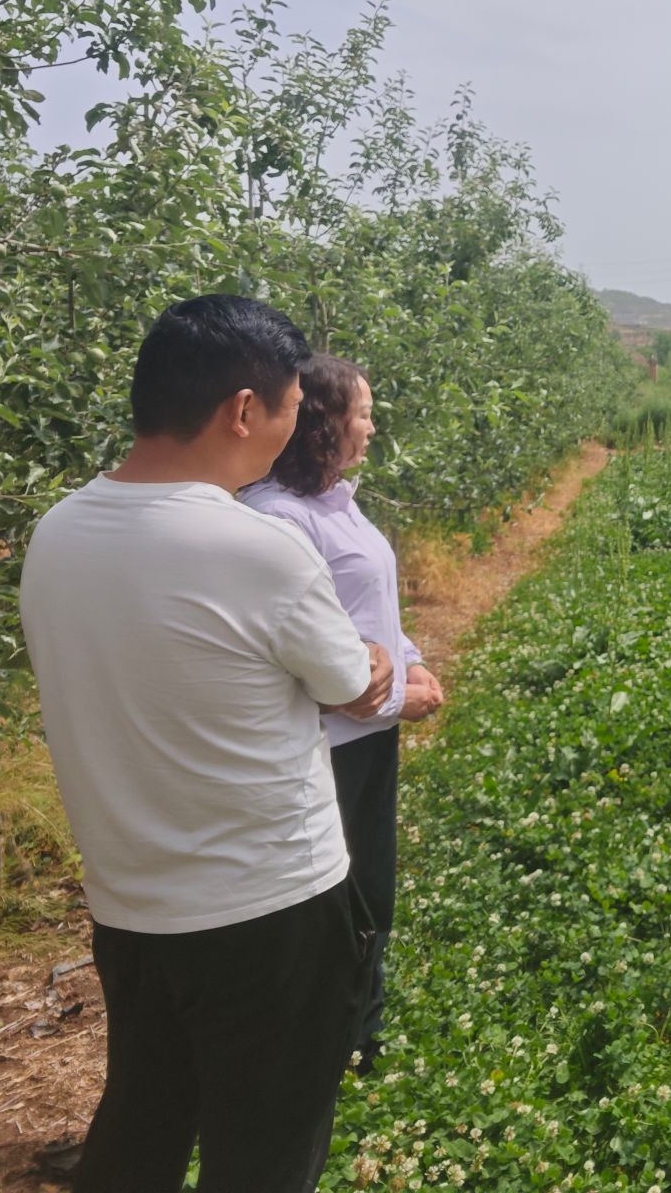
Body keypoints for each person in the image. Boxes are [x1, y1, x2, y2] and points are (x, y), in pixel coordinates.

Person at [20, 295, 391, 1193]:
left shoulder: (57, 533)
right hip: (270, 912)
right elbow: (354, 683)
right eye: (293, 408)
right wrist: (378, 660)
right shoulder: (255, 550)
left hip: (131, 908)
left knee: (141, 1126)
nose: (294, 429)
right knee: (265, 1153)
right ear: (243, 411)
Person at [242, 355, 447, 1071]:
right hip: (328, 745)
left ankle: (360, 1037)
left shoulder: (337, 501)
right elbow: (306, 656)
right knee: (334, 898)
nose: (372, 426)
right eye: (363, 413)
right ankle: (334, 1049)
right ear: (324, 424)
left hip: (369, 738)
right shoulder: (278, 519)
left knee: (369, 891)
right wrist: (396, 697)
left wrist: (410, 658)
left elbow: (368, 608)